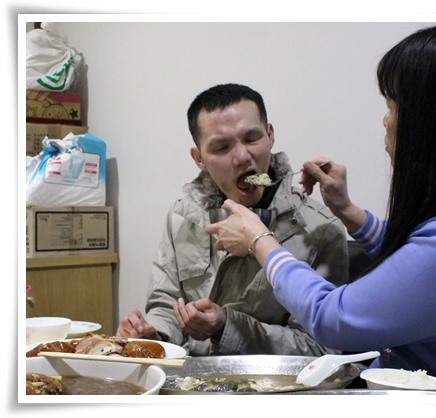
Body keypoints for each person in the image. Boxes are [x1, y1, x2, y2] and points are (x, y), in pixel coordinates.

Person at [206, 23, 436, 394]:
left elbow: (332, 317)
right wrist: (349, 211)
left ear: (433, 123)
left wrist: (260, 240)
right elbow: (421, 266)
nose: (386, 121)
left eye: (393, 106)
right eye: (221, 147)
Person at [116, 83, 349, 356]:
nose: (242, 157)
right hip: (189, 382)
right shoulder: (183, 215)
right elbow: (165, 303)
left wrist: (226, 327)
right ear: (199, 159)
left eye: (252, 139)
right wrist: (153, 335)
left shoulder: (320, 229)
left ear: (270, 135)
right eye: (221, 147)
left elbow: (322, 348)